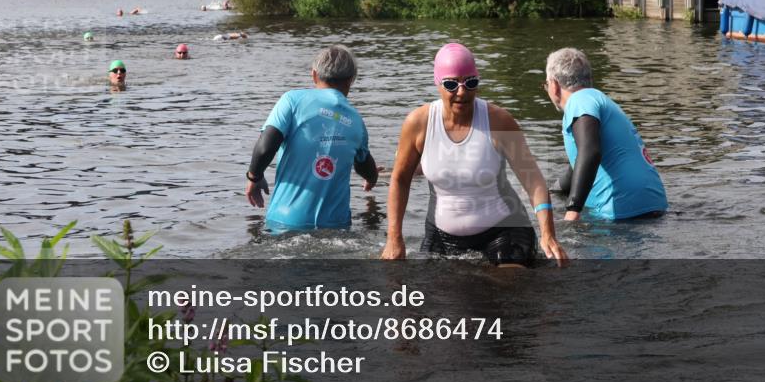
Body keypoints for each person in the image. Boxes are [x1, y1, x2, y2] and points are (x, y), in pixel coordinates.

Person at [381, 43, 568, 267]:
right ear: (437, 83)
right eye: (451, 84)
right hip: (442, 237)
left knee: (505, 289)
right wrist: (394, 238)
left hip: (503, 230)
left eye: (471, 83)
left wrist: (548, 233)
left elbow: (533, 181)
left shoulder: (499, 121)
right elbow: (400, 179)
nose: (462, 92)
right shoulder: (418, 123)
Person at [245, 45, 380, 232]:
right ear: (351, 80)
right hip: (336, 226)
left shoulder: (291, 101)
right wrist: (372, 178)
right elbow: (364, 164)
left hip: (285, 222)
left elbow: (265, 147)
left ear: (314, 75)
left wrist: (254, 176)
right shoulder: (356, 121)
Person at [543, 48, 668, 222]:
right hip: (655, 205)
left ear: (554, 85)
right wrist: (551, 191)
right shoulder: (600, 101)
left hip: (621, 212)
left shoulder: (579, 101)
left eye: (546, 84)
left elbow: (589, 152)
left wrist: (573, 209)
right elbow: (579, 166)